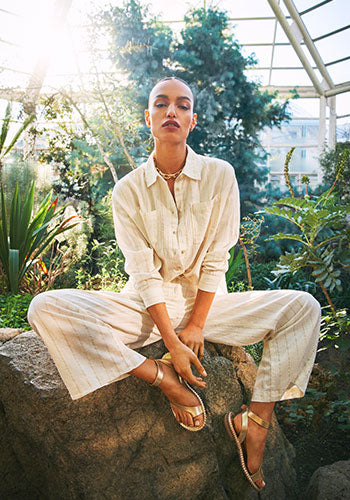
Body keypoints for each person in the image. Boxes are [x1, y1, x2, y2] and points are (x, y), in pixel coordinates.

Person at [27, 76, 321, 492]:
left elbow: (218, 258)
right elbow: (143, 274)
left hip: (209, 308)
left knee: (303, 307)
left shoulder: (220, 175)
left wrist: (196, 328)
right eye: (162, 104)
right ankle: (160, 377)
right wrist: (173, 346)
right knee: (43, 308)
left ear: (192, 120)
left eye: (182, 105)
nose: (171, 111)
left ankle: (254, 422)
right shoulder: (127, 190)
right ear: (148, 118)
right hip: (147, 311)